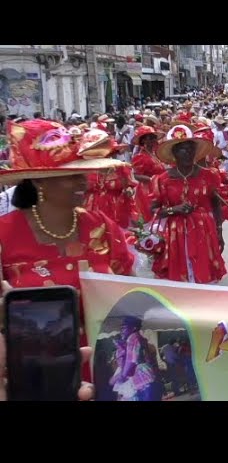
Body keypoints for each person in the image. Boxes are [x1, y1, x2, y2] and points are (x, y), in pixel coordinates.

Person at [0, 120, 134, 381]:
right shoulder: (4, 235)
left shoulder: (102, 227)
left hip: (106, 364)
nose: (83, 181)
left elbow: (127, 291)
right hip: (34, 372)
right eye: (71, 176)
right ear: (40, 183)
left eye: (82, 173)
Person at [150, 123, 226, 284]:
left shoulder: (209, 175)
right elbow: (154, 210)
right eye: (183, 149)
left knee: (204, 277)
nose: (188, 153)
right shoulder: (162, 180)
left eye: (191, 148)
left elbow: (216, 204)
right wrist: (173, 210)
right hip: (174, 236)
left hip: (204, 232)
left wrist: (219, 232)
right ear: (174, 153)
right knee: (179, 281)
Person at [83, 130, 140, 229]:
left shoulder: (120, 167)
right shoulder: (83, 169)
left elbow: (129, 187)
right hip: (90, 211)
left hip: (115, 210)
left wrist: (128, 191)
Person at [130, 125, 166, 222]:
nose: (153, 140)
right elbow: (136, 175)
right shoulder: (140, 157)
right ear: (143, 141)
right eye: (150, 138)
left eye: (154, 137)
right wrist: (152, 180)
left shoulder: (156, 154)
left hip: (159, 188)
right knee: (150, 217)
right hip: (147, 191)